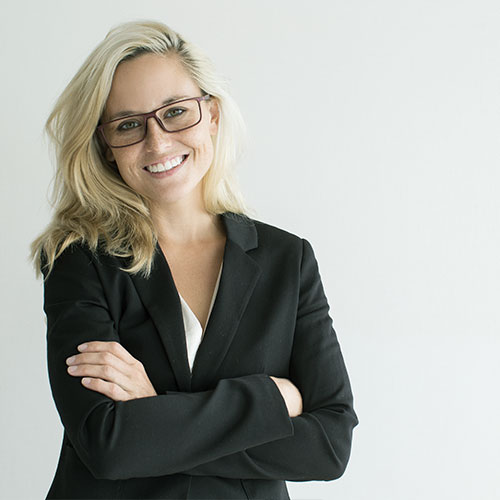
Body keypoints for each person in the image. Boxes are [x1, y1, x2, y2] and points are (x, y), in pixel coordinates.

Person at [32, 20, 358, 500]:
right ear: (105, 146)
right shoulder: (79, 260)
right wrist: (270, 401)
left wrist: (155, 408)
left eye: (176, 112)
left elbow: (329, 446)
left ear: (213, 116)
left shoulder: (288, 260)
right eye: (128, 124)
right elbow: (110, 445)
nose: (157, 142)